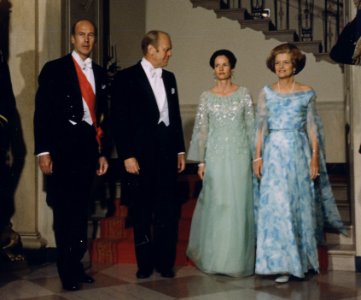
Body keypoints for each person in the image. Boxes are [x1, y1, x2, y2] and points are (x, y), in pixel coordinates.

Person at [253, 43, 346, 284]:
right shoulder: (266, 92)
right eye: (277, 63)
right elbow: (260, 128)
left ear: (295, 64)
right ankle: (280, 264)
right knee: (277, 208)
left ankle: (301, 261)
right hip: (273, 154)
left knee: (298, 206)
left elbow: (313, 127)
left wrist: (314, 157)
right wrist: (257, 156)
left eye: (285, 62)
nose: (281, 67)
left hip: (298, 151)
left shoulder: (307, 92)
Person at [34, 19, 109, 291]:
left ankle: (76, 265)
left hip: (88, 151)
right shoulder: (55, 69)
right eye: (81, 35)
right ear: (72, 39)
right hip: (63, 151)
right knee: (65, 212)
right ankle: (66, 272)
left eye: (91, 35)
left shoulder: (100, 73)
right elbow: (42, 113)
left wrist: (102, 153)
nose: (86, 40)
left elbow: (101, 119)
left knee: (81, 212)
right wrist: (44, 151)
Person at [111, 30, 186, 279]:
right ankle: (144, 264)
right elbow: (119, 120)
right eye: (166, 48)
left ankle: (165, 263)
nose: (170, 53)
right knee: (142, 211)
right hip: (139, 157)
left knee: (167, 211)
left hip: (166, 155)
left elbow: (173, 117)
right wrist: (127, 155)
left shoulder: (171, 77)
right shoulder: (126, 78)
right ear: (150, 50)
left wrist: (180, 149)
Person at [186, 49, 255, 277]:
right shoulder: (206, 96)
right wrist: (201, 162)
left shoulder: (244, 93)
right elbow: (202, 130)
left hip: (239, 155)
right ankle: (215, 259)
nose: (221, 68)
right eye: (217, 65)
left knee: (238, 205)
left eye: (225, 64)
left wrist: (256, 157)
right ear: (213, 69)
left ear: (232, 67)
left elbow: (251, 127)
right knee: (218, 205)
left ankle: (236, 261)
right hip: (215, 157)